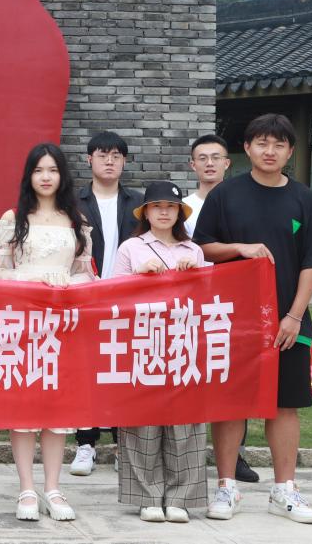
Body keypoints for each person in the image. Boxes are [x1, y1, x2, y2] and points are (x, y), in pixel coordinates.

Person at [193, 113, 312, 525]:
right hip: (232, 319)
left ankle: (284, 489)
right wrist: (240, 247)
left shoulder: (303, 198)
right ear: (247, 148)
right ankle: (226, 486)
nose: (269, 151)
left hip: (288, 323)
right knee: (231, 403)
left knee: (285, 405)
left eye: (278, 145)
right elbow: (202, 247)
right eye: (262, 143)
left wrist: (294, 315)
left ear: (290, 152)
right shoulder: (225, 194)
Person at [0, 142, 95, 522]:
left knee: (58, 407)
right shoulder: (13, 219)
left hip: (63, 324)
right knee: (24, 407)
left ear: (62, 175)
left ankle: (53, 487)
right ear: (29, 176)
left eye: (52, 170)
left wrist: (66, 282)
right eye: (38, 170)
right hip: (22, 322)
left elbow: (88, 274)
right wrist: (34, 280)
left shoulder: (76, 221)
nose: (46, 177)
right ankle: (26, 488)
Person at [112, 181, 210, 523]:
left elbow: (207, 297)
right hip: (143, 341)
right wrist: (138, 275)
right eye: (157, 206)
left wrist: (195, 274)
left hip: (184, 342)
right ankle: (147, 497)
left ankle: (181, 498)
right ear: (146, 212)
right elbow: (113, 294)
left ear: (180, 213)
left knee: (186, 421)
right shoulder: (131, 248)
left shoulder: (193, 251)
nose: (164, 212)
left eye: (171, 207)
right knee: (143, 420)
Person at [183, 135, 259, 485]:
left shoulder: (244, 202)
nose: (210, 163)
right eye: (203, 158)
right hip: (191, 306)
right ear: (193, 165)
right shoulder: (180, 208)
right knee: (192, 378)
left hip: (234, 304)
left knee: (235, 377)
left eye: (216, 157)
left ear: (228, 163)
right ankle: (188, 456)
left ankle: (235, 455)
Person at [71, 130, 143, 474]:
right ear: (89, 159)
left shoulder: (139, 203)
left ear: (124, 161)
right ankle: (85, 444)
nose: (109, 161)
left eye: (116, 155)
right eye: (102, 155)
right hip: (86, 298)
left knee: (122, 371)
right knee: (85, 372)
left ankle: (121, 445)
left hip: (127, 301)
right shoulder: (74, 202)